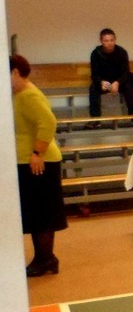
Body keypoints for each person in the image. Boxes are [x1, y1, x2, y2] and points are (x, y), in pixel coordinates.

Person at [10, 54, 67, 277]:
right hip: (28, 161)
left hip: (39, 162)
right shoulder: (18, 94)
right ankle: (44, 258)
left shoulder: (30, 95)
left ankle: (46, 259)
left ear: (15, 72)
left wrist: (37, 152)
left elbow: (48, 122)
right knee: (36, 214)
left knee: (43, 214)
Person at [88, 28, 133, 126]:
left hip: (119, 82)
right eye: (106, 41)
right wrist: (101, 82)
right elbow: (94, 74)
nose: (109, 43)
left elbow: (126, 72)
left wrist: (117, 82)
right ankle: (95, 119)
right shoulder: (95, 53)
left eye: (111, 40)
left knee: (128, 87)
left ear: (115, 40)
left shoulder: (122, 52)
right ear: (101, 41)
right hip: (104, 82)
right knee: (93, 88)